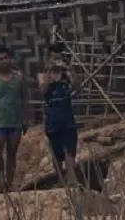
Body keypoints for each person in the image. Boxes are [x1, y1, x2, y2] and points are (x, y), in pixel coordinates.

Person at [0, 46, 29, 192]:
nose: (4, 61)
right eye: (0, 59)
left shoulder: (19, 77)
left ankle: (9, 183)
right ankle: (1, 177)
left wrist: (25, 119)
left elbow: (24, 99)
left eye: (6, 58)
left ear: (11, 59)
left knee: (12, 152)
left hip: (15, 121)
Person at [37, 42, 81, 185]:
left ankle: (72, 179)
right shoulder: (43, 75)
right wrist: (49, 72)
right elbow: (43, 91)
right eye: (53, 59)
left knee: (70, 147)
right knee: (56, 151)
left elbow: (77, 88)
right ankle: (60, 180)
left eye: (59, 58)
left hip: (67, 115)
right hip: (52, 117)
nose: (56, 62)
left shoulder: (66, 74)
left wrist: (70, 69)